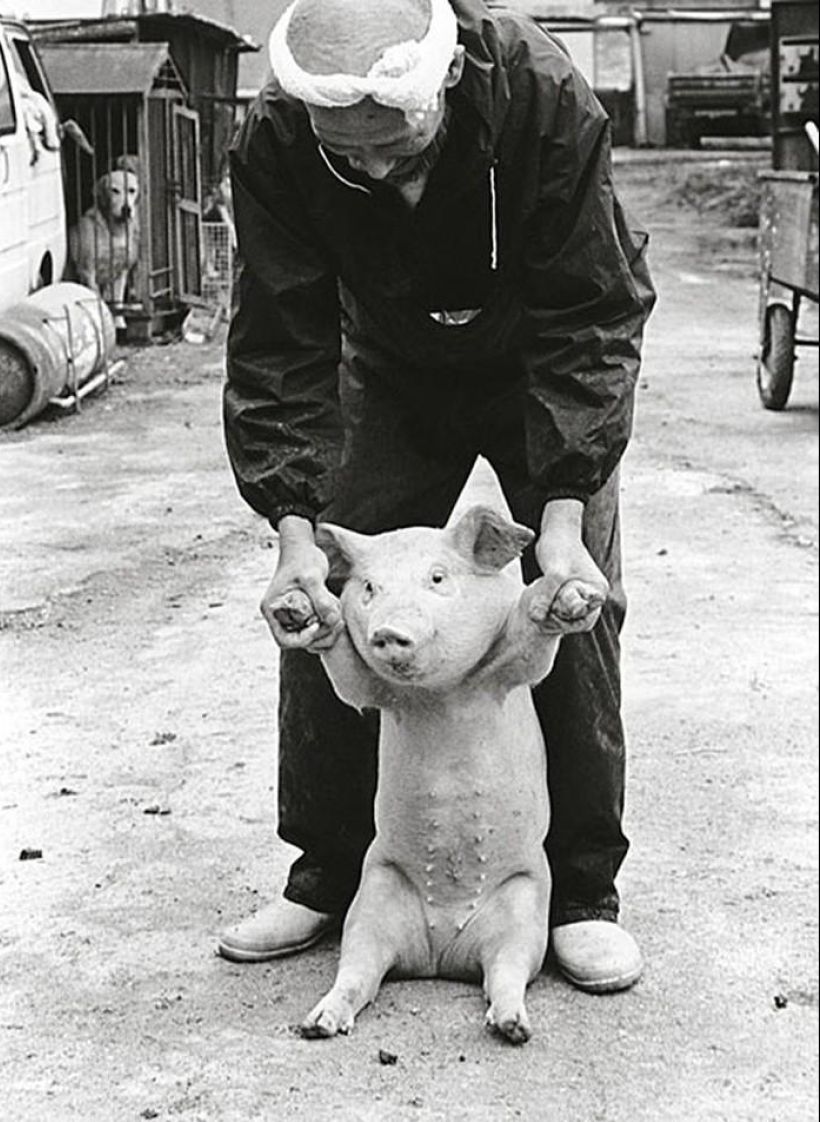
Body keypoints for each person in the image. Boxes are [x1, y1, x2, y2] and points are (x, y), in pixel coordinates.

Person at [220, 0, 655, 993]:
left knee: (574, 602)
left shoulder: (543, 98)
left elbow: (590, 316)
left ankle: (581, 893)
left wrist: (561, 519)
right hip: (385, 362)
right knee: (330, 599)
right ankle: (329, 873)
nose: (380, 172)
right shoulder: (277, 133)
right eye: (350, 155)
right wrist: (293, 533)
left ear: (448, 79)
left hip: (537, 355)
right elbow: (279, 338)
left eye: (398, 145)